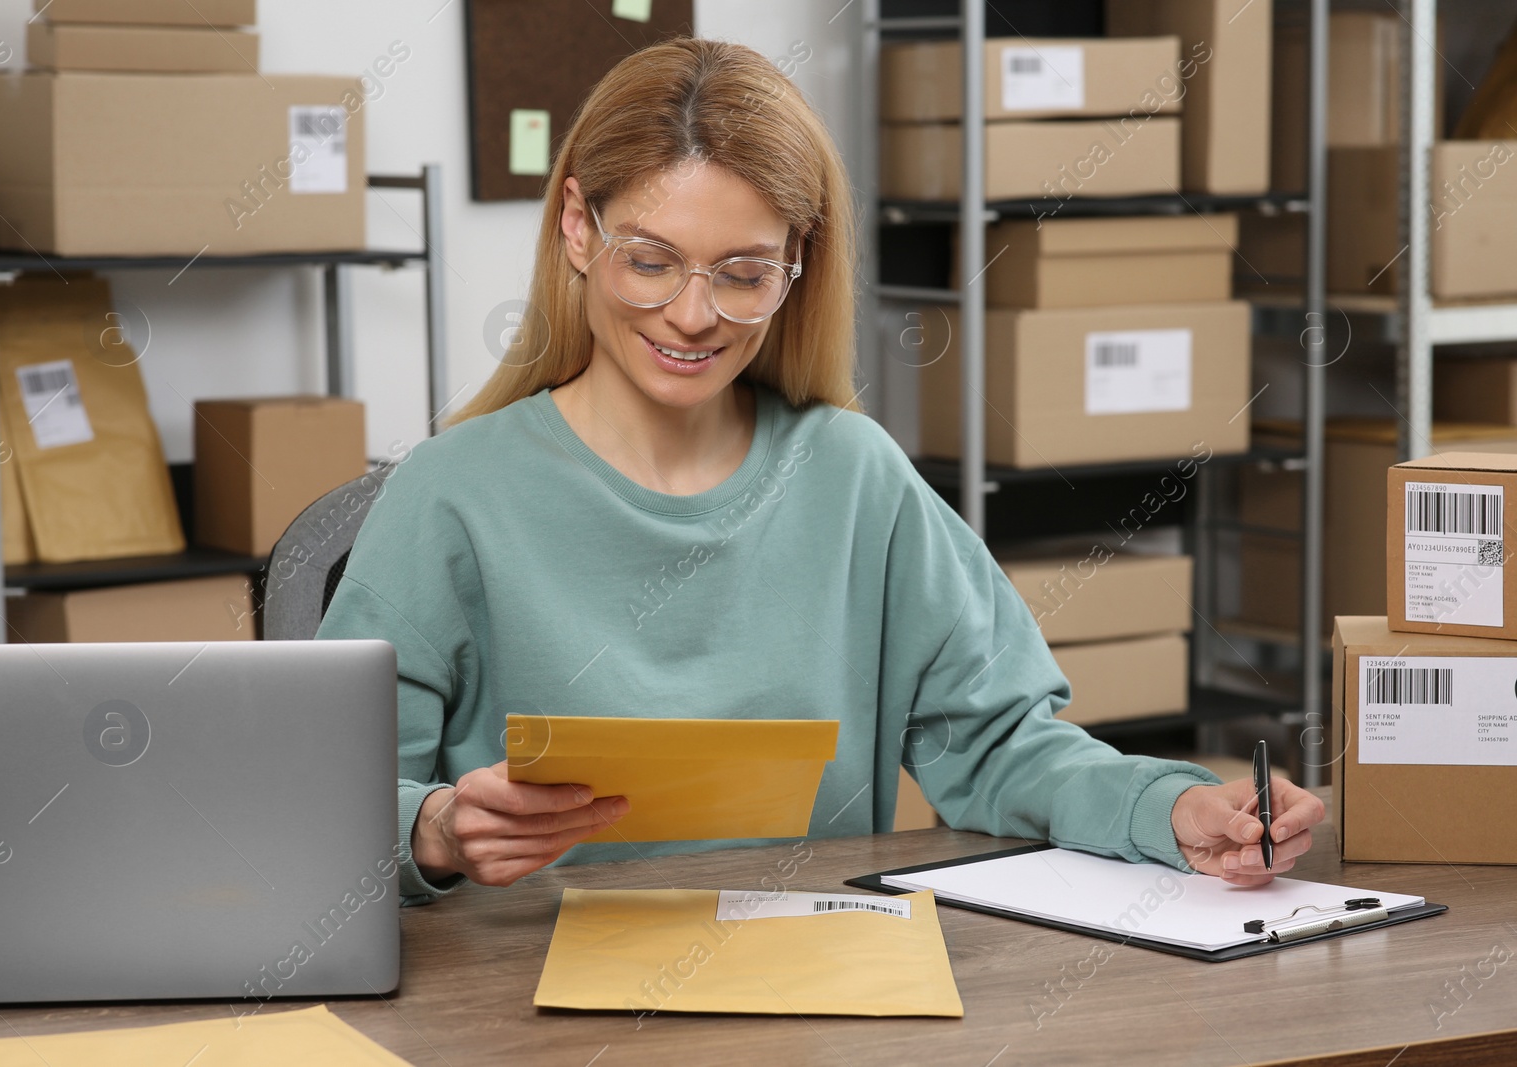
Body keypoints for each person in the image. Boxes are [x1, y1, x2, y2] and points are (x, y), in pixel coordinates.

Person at [315, 37, 1324, 905]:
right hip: (516, 998)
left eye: (744, 273)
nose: (693, 312)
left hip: (811, 974)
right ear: (578, 227)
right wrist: (439, 827)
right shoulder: (450, 492)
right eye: (651, 260)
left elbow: (1000, 745)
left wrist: (1172, 807)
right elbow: (320, 803)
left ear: (798, 265)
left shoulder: (852, 475)